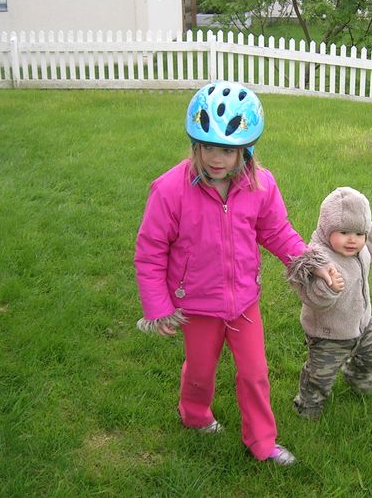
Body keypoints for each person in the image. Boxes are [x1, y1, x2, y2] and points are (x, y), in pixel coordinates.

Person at [133, 81, 335, 466]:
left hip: (243, 301)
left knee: (255, 374)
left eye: (227, 149)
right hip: (196, 304)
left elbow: (276, 231)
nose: (216, 158)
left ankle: (261, 442)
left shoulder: (260, 185)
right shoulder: (170, 189)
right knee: (200, 371)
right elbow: (150, 251)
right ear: (195, 144)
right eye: (207, 146)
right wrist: (158, 305)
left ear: (246, 149)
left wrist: (311, 262)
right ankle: (194, 416)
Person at [288, 187, 372, 420]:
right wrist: (329, 287)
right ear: (326, 228)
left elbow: (369, 248)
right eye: (344, 232)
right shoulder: (319, 260)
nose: (353, 240)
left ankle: (356, 375)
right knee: (320, 376)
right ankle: (307, 405)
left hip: (361, 323)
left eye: (359, 233)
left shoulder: (358, 248)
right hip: (329, 333)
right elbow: (312, 297)